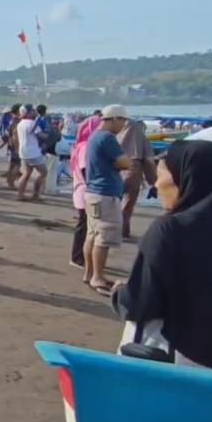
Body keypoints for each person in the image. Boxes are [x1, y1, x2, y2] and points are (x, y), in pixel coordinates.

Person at [112, 140, 212, 374]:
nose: (156, 185)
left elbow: (140, 304)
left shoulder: (171, 230)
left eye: (162, 175)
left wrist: (120, 294)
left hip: (184, 362)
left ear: (187, 177)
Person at [82, 105, 132, 296]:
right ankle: (97, 276)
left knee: (93, 234)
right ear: (114, 119)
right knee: (103, 238)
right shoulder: (107, 138)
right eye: (123, 121)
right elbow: (125, 162)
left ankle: (90, 273)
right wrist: (119, 163)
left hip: (94, 192)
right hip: (104, 193)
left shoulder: (94, 136)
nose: (123, 125)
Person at [69, 115, 101, 268]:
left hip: (80, 189)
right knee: (84, 226)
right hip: (85, 189)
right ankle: (77, 257)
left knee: (85, 225)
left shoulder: (79, 144)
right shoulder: (86, 146)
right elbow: (85, 169)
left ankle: (80, 256)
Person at [116, 117, 156, 238]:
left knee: (113, 202)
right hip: (133, 170)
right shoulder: (142, 139)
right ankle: (123, 230)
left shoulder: (115, 137)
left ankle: (111, 228)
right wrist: (153, 181)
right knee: (128, 204)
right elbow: (149, 161)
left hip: (116, 170)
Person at [15, 104, 48, 201]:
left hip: (23, 151)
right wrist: (50, 135)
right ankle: (35, 195)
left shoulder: (20, 123)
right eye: (32, 110)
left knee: (26, 173)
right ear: (28, 113)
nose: (34, 112)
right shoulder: (32, 123)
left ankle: (20, 194)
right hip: (33, 152)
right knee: (43, 172)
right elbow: (41, 135)